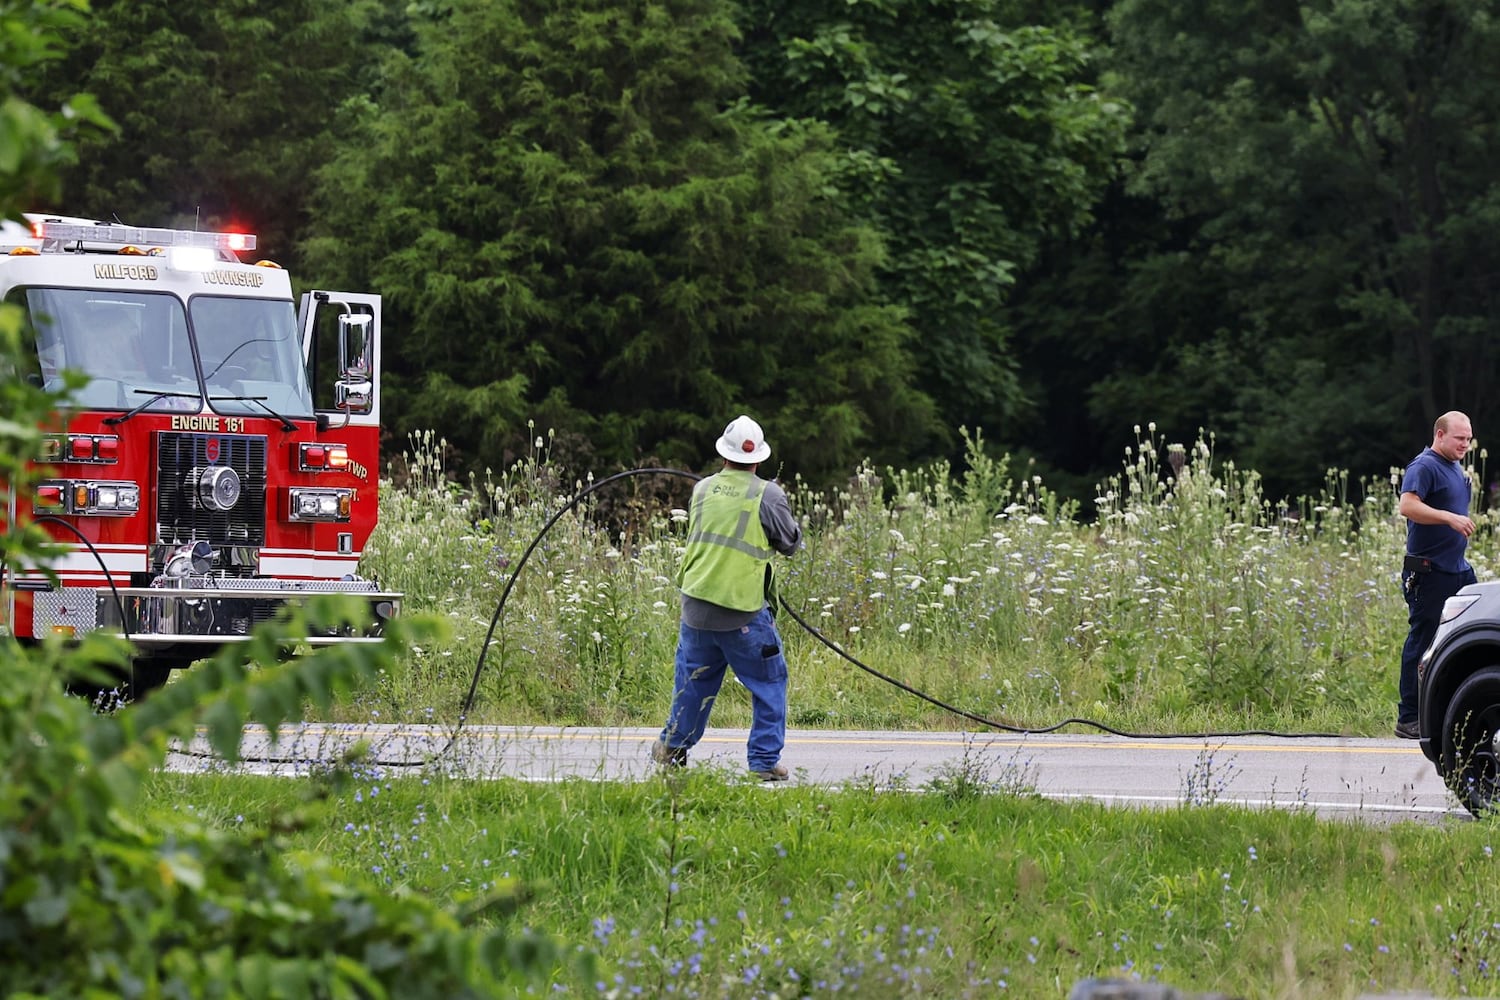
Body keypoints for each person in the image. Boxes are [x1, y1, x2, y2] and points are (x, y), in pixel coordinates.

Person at [651, 415, 803, 780]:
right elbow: (790, 543)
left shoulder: (702, 489)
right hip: (740, 611)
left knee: (694, 683)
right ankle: (764, 763)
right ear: (759, 459)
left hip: (696, 605)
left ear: (724, 455)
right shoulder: (768, 493)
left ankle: (672, 747)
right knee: (769, 682)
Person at [1395, 410, 1477, 739]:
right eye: (1459, 438)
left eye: (1469, 439)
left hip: (1458, 570)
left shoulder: (1455, 467)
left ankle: (1458, 707)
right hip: (1429, 574)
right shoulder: (1424, 465)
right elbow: (1408, 506)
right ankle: (1409, 717)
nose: (1465, 445)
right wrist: (1449, 518)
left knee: (1469, 635)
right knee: (1423, 641)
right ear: (1440, 435)